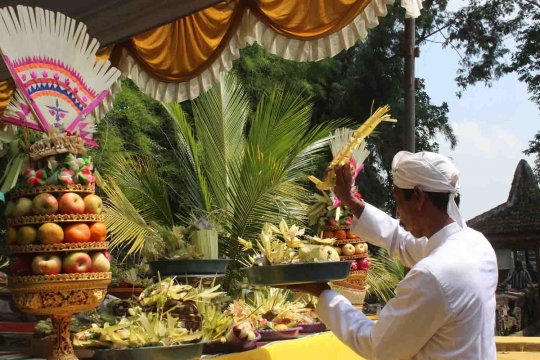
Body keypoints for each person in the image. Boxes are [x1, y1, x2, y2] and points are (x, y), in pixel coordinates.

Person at [289, 151, 498, 360]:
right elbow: (403, 243)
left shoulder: (432, 275)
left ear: (418, 197)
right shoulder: (477, 245)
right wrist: (350, 201)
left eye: (398, 200)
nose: (398, 213)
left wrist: (323, 292)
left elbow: (376, 346)